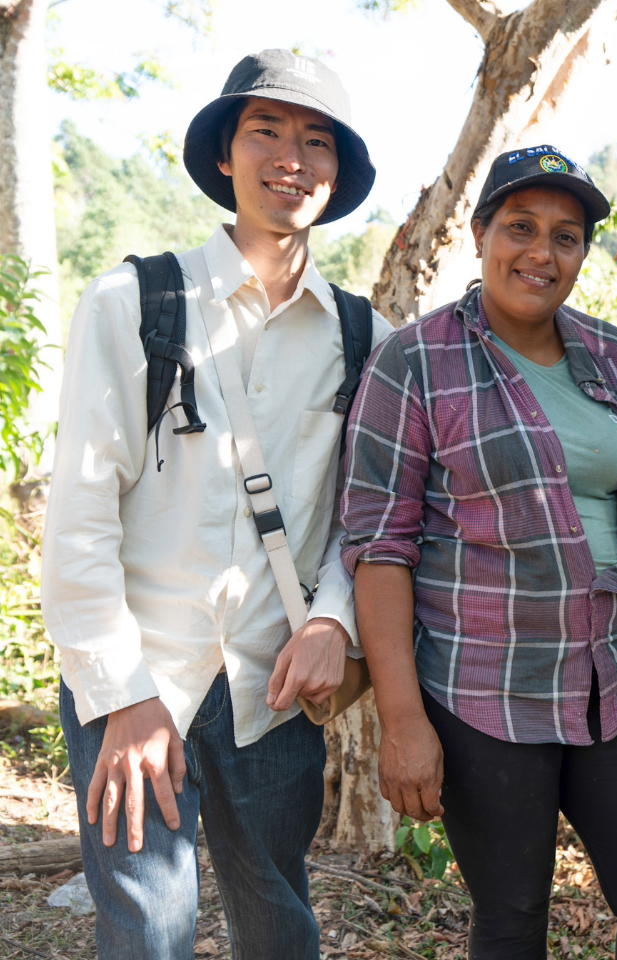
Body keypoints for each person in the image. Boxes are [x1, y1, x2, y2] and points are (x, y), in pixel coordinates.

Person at [41, 49, 393, 960]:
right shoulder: (133, 303)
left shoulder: (366, 339)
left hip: (274, 688)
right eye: (265, 130)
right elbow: (80, 511)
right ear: (225, 157)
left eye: (317, 140)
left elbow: (372, 516)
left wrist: (334, 622)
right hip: (139, 675)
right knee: (148, 931)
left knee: (278, 919)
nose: (291, 156)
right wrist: (121, 696)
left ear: (339, 173)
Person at [340, 145, 617, 959]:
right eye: (521, 227)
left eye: (566, 236)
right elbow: (379, 545)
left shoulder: (613, 360)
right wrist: (402, 721)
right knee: (510, 920)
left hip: (616, 677)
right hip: (482, 688)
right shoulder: (415, 363)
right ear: (478, 235)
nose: (541, 253)